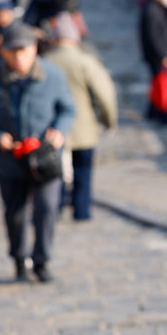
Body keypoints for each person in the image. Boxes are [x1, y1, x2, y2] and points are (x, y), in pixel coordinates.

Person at [0, 21, 75, 283]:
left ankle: (42, 260)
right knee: (15, 212)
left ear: (35, 49)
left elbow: (68, 109)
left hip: (45, 157)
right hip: (9, 159)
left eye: (24, 50)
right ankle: (19, 259)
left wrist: (59, 131)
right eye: (13, 51)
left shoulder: (53, 75)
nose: (19, 57)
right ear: (3, 52)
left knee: (47, 208)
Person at [42, 13, 117, 221]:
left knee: (54, 173)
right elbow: (105, 94)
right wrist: (109, 121)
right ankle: (81, 210)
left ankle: (54, 210)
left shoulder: (45, 62)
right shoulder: (86, 62)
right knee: (83, 172)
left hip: (53, 128)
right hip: (83, 128)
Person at [139, 0, 167, 125]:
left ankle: (153, 111)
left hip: (155, 55)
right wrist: (163, 55)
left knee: (156, 83)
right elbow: (153, 37)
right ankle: (163, 114)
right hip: (156, 56)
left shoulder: (155, 8)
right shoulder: (151, 11)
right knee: (162, 85)